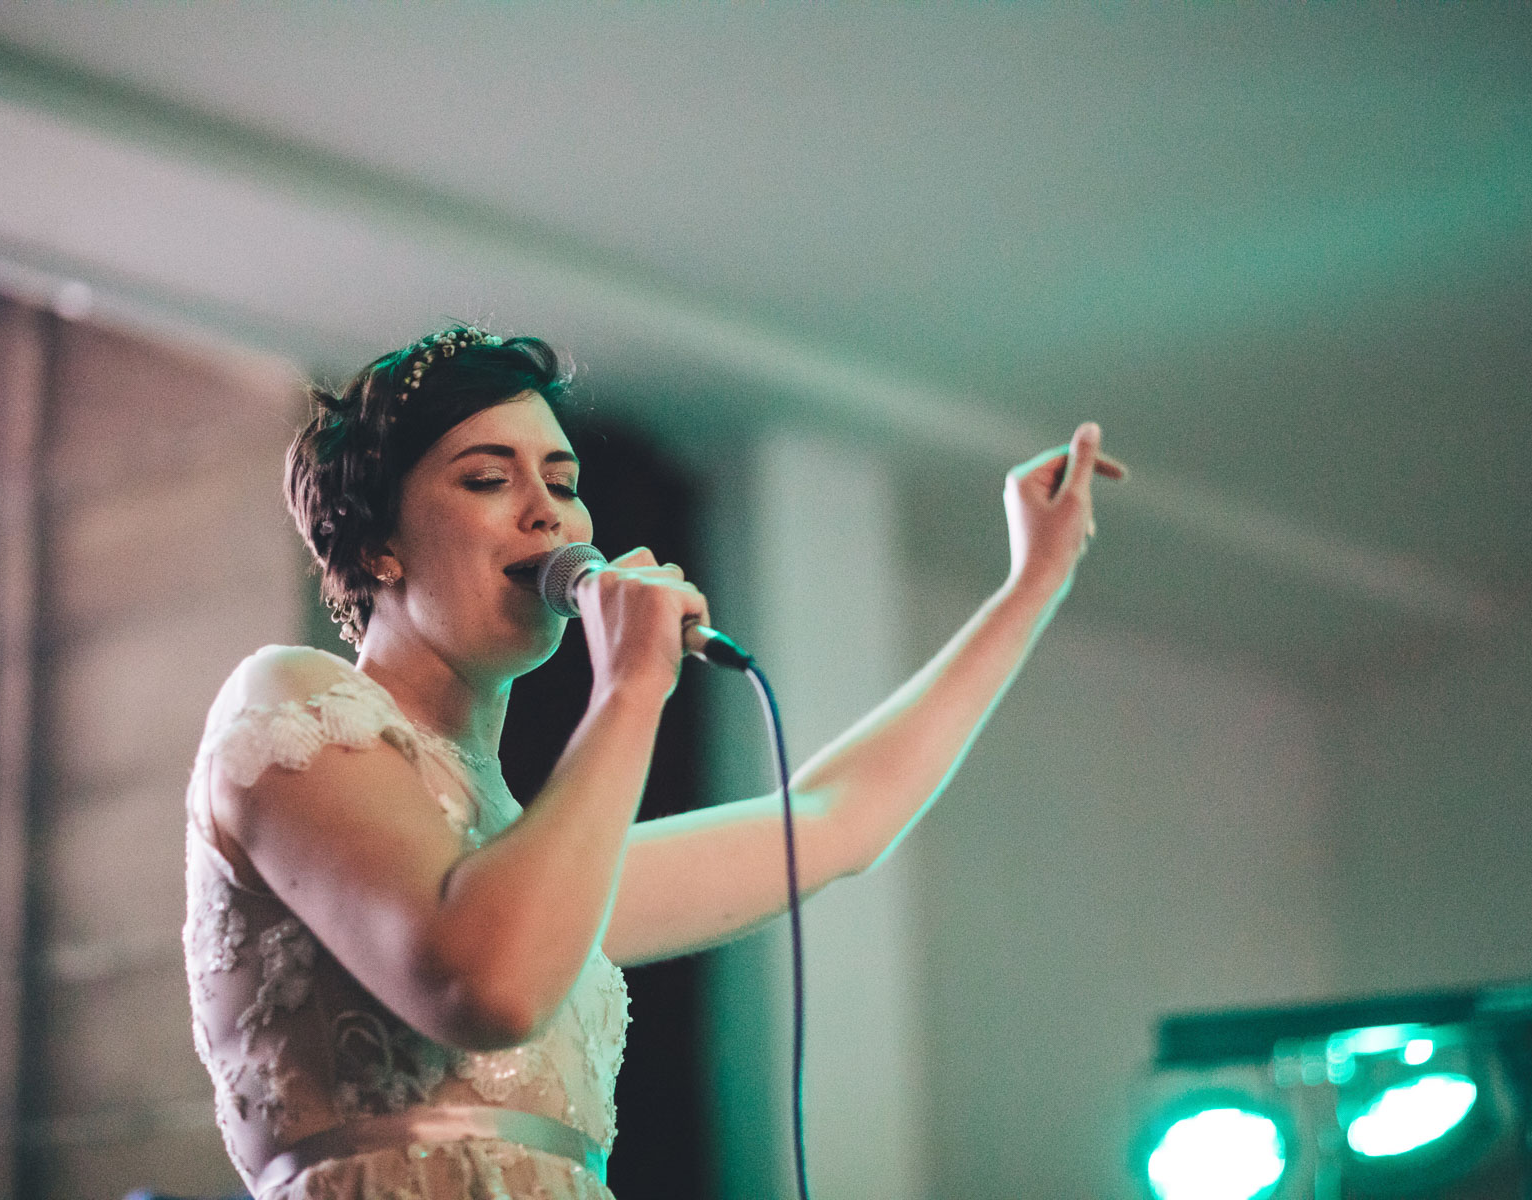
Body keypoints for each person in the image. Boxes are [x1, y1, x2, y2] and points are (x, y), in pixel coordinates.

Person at [183, 325, 1125, 1200]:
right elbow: (489, 984)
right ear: (378, 542)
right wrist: (630, 690)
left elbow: (837, 820)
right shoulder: (289, 698)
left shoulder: (529, 861)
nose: (547, 512)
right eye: (487, 480)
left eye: (563, 479)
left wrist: (1031, 586)